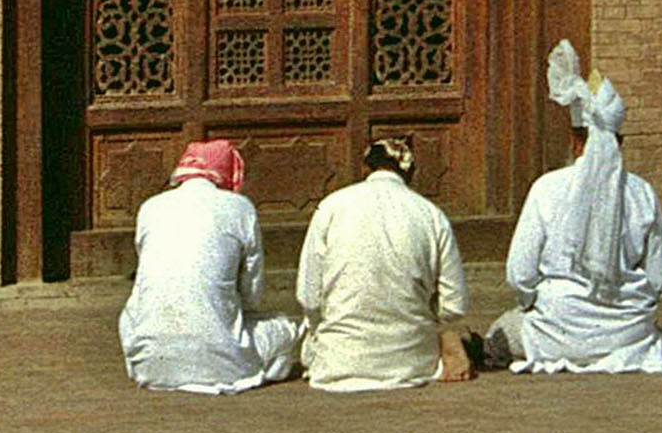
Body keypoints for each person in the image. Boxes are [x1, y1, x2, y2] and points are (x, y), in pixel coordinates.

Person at [482, 40, 662, 373]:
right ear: (619, 142)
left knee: (499, 331)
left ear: (573, 140)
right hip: (627, 334)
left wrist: (533, 306)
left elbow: (520, 274)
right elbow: (660, 280)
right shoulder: (642, 192)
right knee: (653, 334)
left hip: (555, 330)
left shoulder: (547, 188)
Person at [118, 138, 302, 393]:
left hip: (148, 365)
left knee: (132, 312)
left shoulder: (151, 207)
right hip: (222, 361)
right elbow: (251, 294)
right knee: (283, 328)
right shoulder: (240, 208)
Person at [295, 135, 473, 390]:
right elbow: (454, 304)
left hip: (336, 365)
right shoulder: (431, 214)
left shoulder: (331, 206)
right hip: (413, 364)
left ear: (364, 168)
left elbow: (308, 297)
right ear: (410, 173)